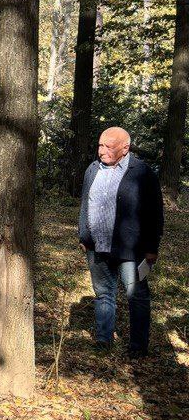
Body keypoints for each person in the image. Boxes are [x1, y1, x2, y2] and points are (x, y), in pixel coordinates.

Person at [79, 126, 163, 360]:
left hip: (131, 249)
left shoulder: (142, 173)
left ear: (125, 148)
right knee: (103, 293)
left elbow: (155, 212)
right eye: (99, 145)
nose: (101, 151)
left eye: (108, 146)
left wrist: (151, 247)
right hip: (98, 245)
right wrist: (83, 235)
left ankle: (138, 346)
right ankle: (103, 339)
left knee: (136, 294)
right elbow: (85, 203)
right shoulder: (92, 169)